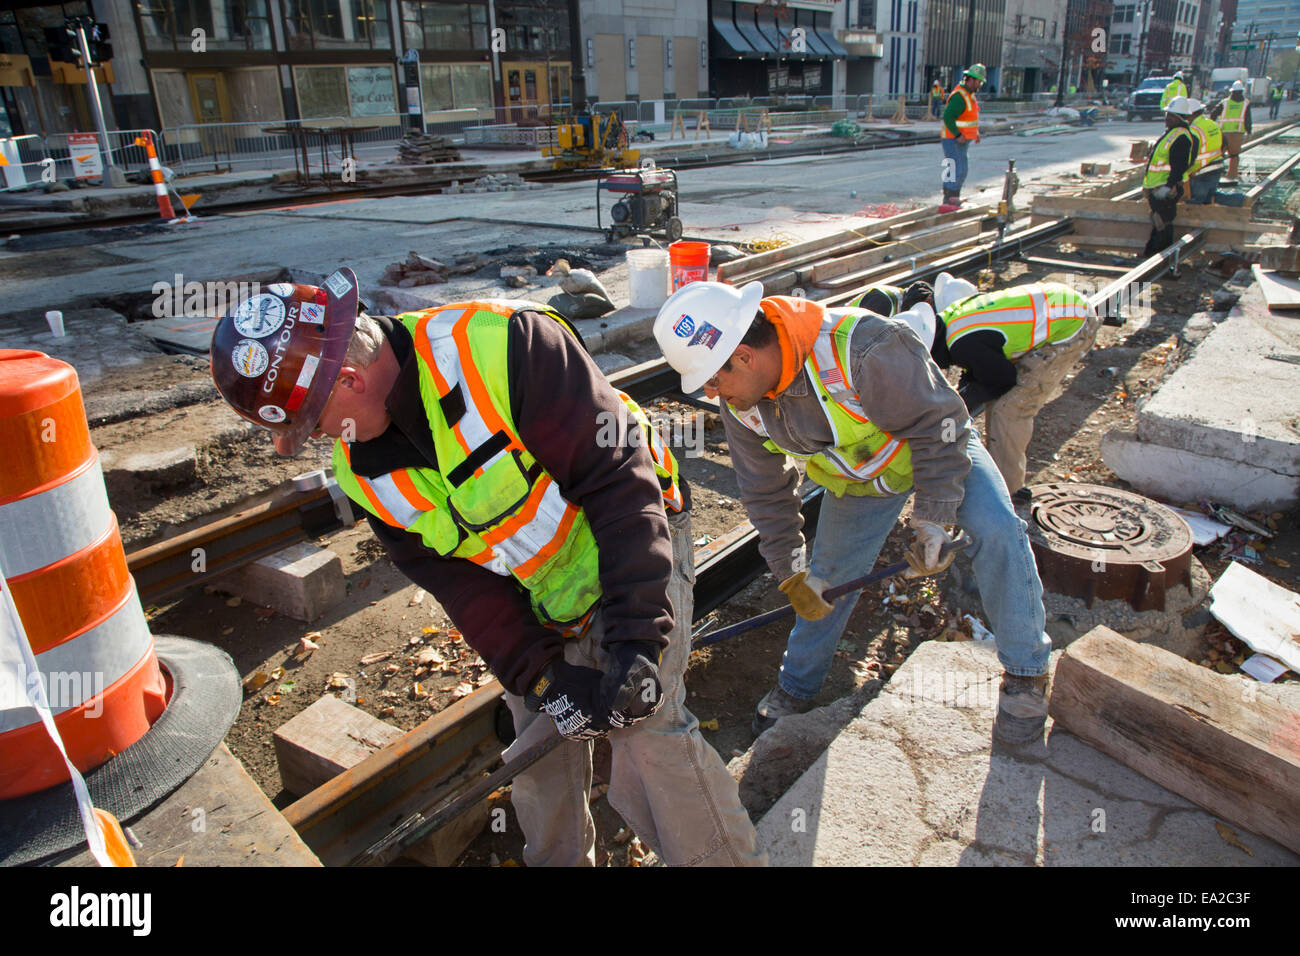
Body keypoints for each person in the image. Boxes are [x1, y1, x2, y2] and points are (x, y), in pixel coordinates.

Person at [208, 273, 764, 867]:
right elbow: (461, 583)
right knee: (541, 744)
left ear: (348, 381)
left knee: (647, 740)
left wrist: (634, 641)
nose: (318, 440)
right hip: (541, 592)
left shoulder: (503, 347)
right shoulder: (363, 474)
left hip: (631, 546)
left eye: (312, 425)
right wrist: (544, 676)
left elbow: (618, 487)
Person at [652, 282, 1054, 747]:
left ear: (744, 355)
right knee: (827, 580)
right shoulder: (741, 404)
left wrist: (932, 518)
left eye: (714, 379)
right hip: (862, 481)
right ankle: (797, 687)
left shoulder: (863, 347)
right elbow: (765, 491)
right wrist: (791, 573)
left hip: (934, 450)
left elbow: (936, 427)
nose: (711, 391)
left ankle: (1026, 673)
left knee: (998, 531)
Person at [889, 274, 1100, 497]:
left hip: (1072, 323)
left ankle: (1006, 493)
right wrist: (963, 396)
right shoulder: (951, 320)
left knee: (1010, 408)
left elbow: (1003, 378)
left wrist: (962, 403)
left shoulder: (962, 345)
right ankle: (998, 469)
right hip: (1060, 302)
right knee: (995, 399)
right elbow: (979, 365)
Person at [1142, 96, 1199, 257]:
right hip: (1157, 185)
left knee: (1163, 222)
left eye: (1171, 115)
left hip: (1165, 186)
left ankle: (1161, 256)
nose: (1167, 118)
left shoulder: (1181, 136)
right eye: (1167, 114)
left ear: (1180, 117)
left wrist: (1168, 186)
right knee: (1158, 220)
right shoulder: (1172, 133)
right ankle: (1152, 254)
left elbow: (1179, 165)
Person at [940, 63, 985, 209]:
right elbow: (948, 117)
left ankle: (952, 197)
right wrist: (958, 134)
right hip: (953, 139)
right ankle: (950, 198)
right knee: (956, 169)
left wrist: (974, 133)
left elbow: (968, 118)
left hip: (961, 139)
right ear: (970, 80)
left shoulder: (969, 95)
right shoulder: (960, 96)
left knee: (960, 168)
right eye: (978, 82)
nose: (980, 85)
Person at [1214, 80, 1252, 179]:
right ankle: (1231, 176)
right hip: (1237, 133)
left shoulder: (1225, 102)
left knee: (1218, 155)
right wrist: (1249, 131)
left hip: (1223, 133)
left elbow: (1213, 114)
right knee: (1234, 156)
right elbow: (1248, 119)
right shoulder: (1246, 103)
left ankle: (1216, 175)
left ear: (1232, 91)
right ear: (1241, 91)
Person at [1186, 101, 1223, 205]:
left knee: (1195, 203)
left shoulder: (1193, 129)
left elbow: (1190, 154)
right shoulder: (1211, 123)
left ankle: (1240, 200)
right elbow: (1224, 142)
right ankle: (1240, 200)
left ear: (1191, 114)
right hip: (1217, 166)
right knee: (1208, 200)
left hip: (1201, 171)